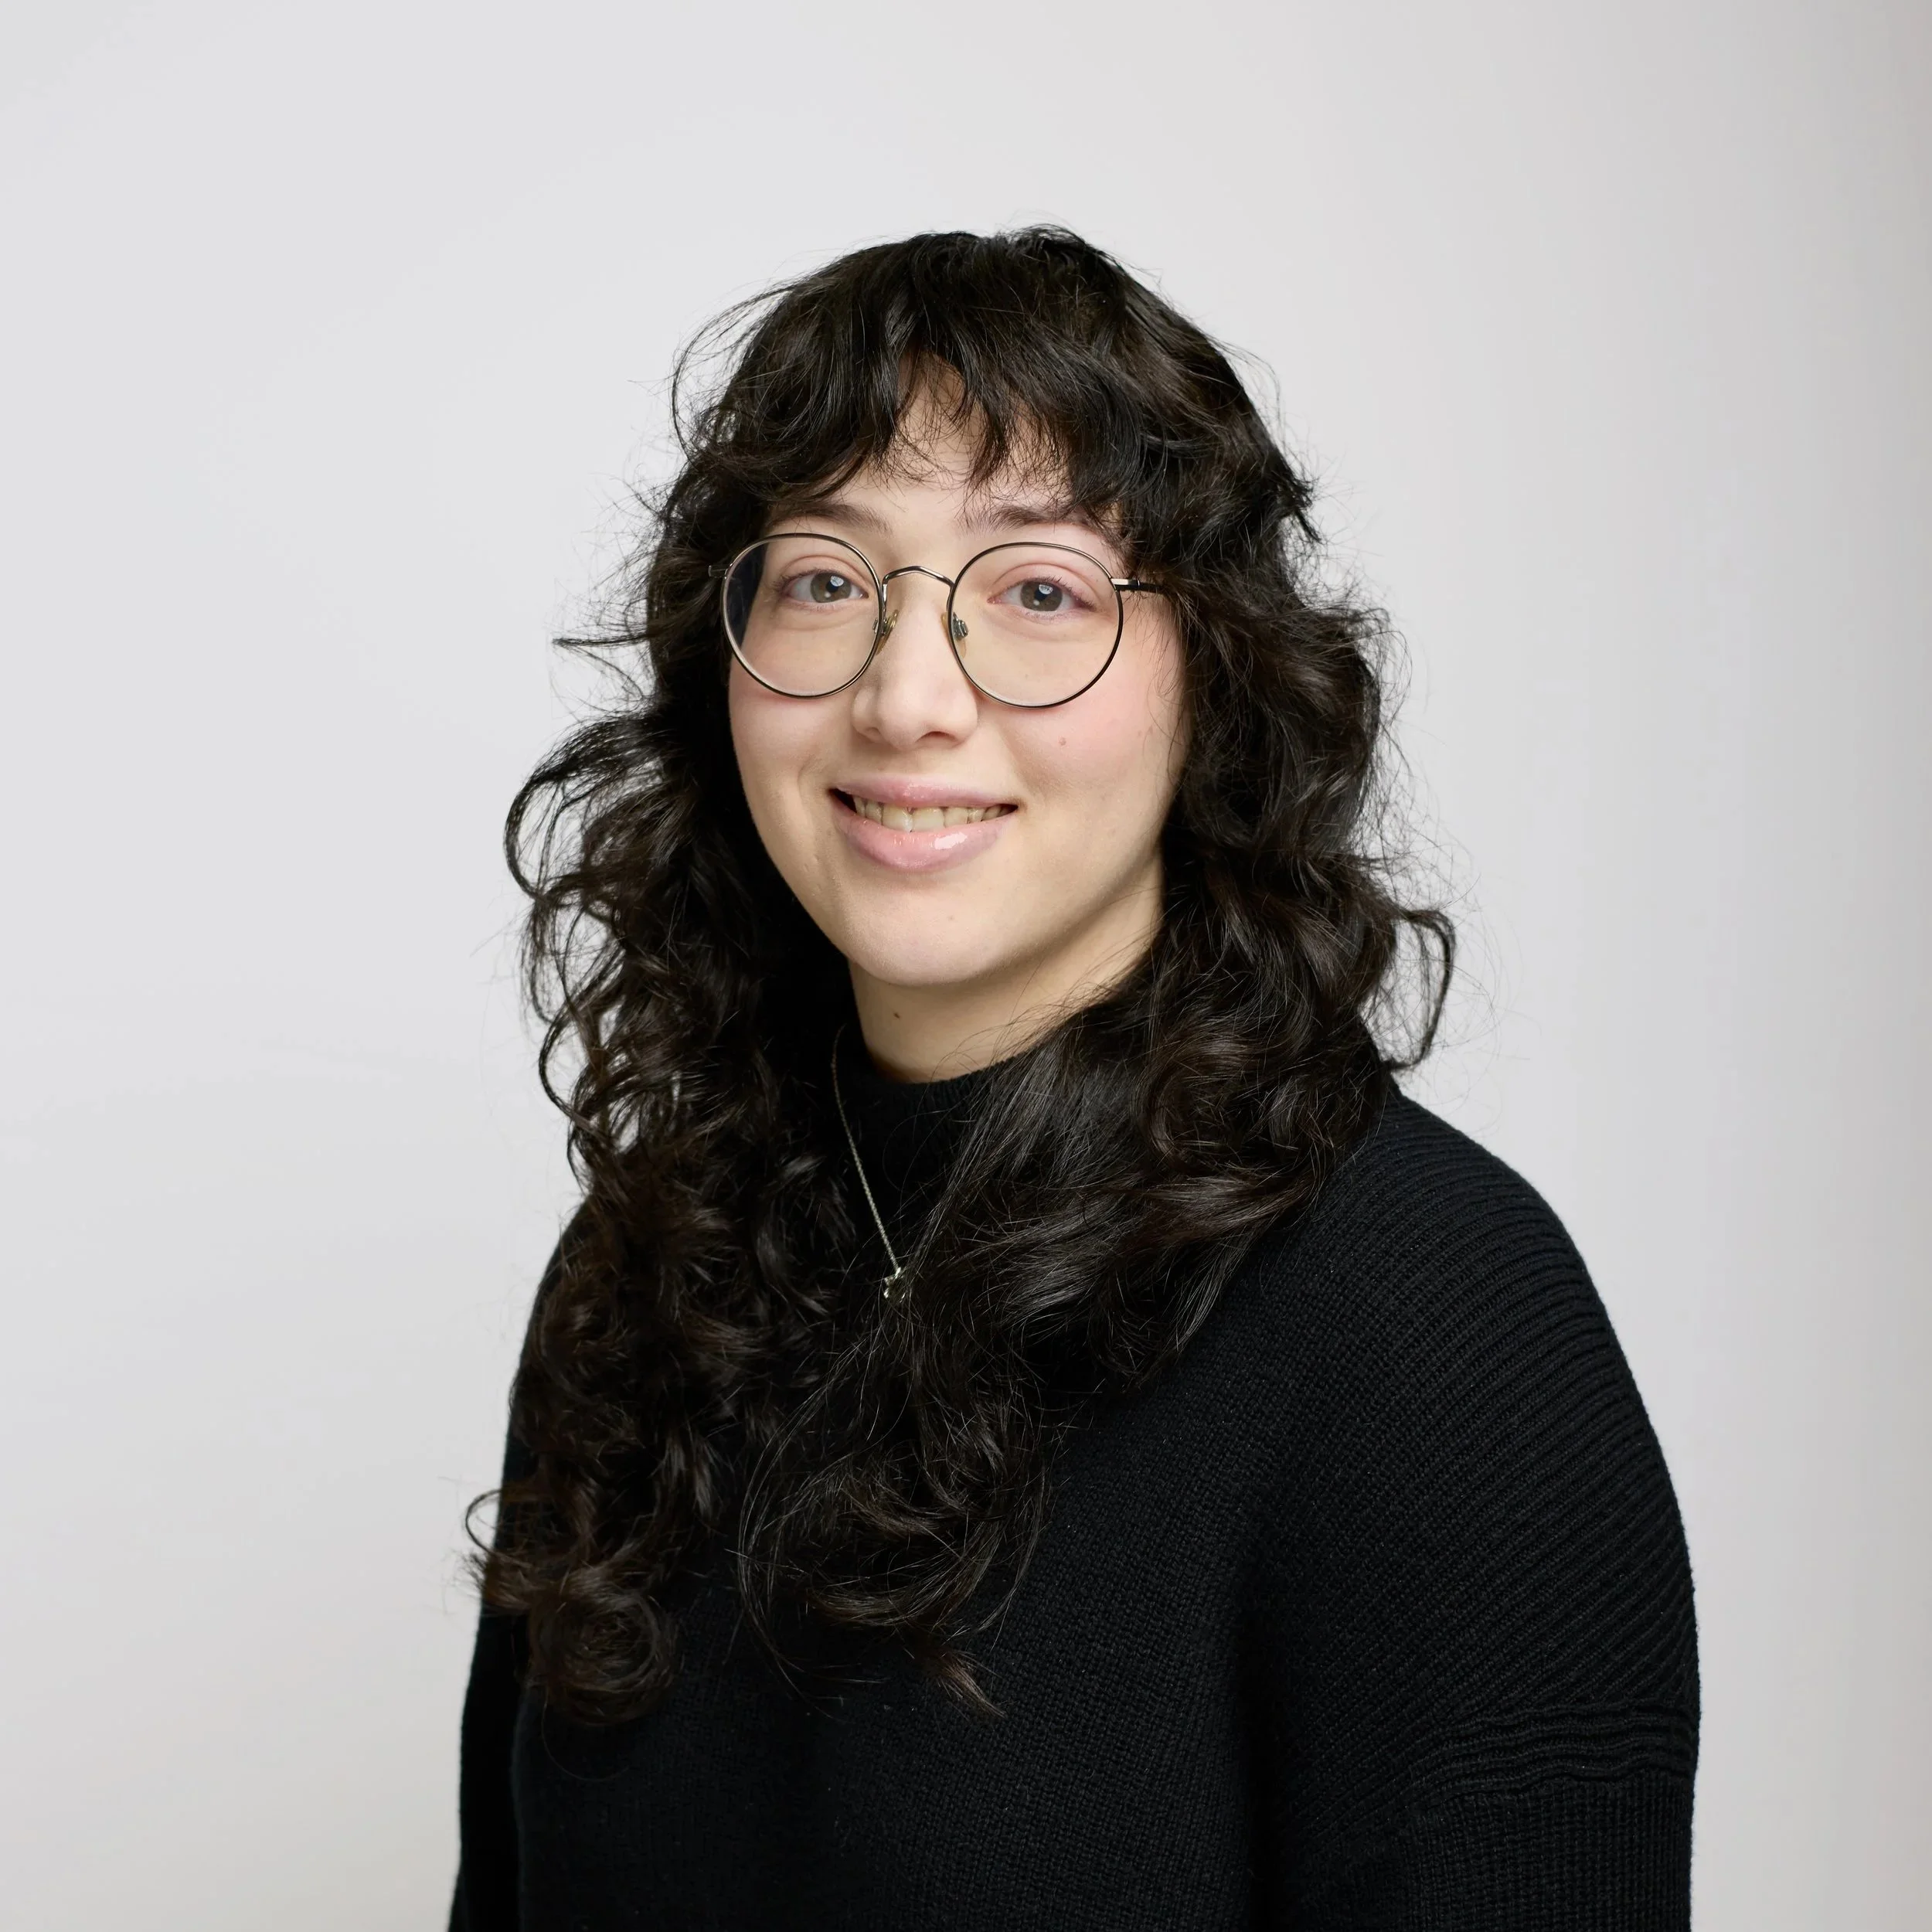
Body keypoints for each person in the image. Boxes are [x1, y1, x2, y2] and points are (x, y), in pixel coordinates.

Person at [451, 227, 1697, 1930]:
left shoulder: (1433, 1323)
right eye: (822, 578)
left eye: (1037, 592)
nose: (906, 699)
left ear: (1216, 676)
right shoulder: (644, 1267)